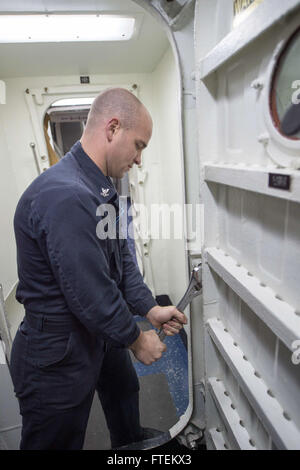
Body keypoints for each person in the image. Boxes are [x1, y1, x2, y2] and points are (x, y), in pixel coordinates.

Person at [10, 87, 187, 450]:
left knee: (124, 393)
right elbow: (89, 291)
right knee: (57, 439)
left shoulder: (105, 188)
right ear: (112, 128)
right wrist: (137, 340)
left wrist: (149, 308)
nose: (139, 159)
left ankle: (128, 447)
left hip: (99, 331)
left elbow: (122, 261)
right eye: (138, 145)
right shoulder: (65, 194)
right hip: (58, 344)